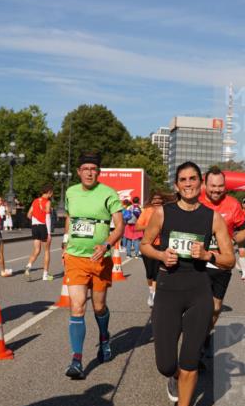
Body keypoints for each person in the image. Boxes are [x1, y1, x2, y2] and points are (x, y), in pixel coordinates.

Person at [140, 162, 234, 406]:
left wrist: (209, 256)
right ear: (177, 185)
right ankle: (173, 377)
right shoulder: (162, 213)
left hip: (199, 291)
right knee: (166, 364)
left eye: (193, 179)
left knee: (190, 359)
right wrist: (160, 256)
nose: (189, 183)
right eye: (183, 179)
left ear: (201, 182)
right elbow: (145, 244)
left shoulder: (213, 218)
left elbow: (230, 259)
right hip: (168, 290)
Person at [62, 153, 125, 380]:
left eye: (94, 169)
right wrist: (64, 243)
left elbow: (120, 226)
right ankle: (77, 360)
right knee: (77, 306)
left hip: (100, 259)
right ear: (79, 171)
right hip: (75, 258)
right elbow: (70, 218)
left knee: (99, 307)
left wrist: (107, 244)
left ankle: (104, 337)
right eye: (85, 168)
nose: (89, 172)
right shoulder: (70, 192)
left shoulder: (108, 193)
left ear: (99, 172)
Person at [198, 166, 245, 360]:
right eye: (213, 186)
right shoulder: (195, 200)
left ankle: (204, 336)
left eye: (220, 186)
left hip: (221, 262)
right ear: (205, 184)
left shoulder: (233, 204)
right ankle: (194, 341)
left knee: (216, 307)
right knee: (198, 305)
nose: (217, 190)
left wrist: (234, 239)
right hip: (198, 262)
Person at [137, 192, 165, 308]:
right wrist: (152, 227)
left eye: (159, 200)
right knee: (149, 272)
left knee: (157, 271)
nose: (157, 202)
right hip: (148, 245)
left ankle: (154, 293)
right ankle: (151, 291)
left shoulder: (166, 211)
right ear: (151, 201)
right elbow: (137, 227)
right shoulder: (146, 211)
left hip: (162, 245)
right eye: (155, 200)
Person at [25, 185, 54, 281]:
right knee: (46, 251)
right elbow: (48, 218)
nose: (52, 194)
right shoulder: (48, 202)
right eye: (52, 192)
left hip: (34, 227)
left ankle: (28, 266)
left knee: (37, 250)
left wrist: (35, 218)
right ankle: (45, 275)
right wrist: (49, 233)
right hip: (43, 227)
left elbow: (29, 214)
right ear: (49, 192)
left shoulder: (35, 201)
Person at [0, 196, 12, 276]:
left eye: (1, 200)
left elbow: (3, 219)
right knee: (0, 252)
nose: (0, 202)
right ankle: (3, 271)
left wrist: (4, 213)